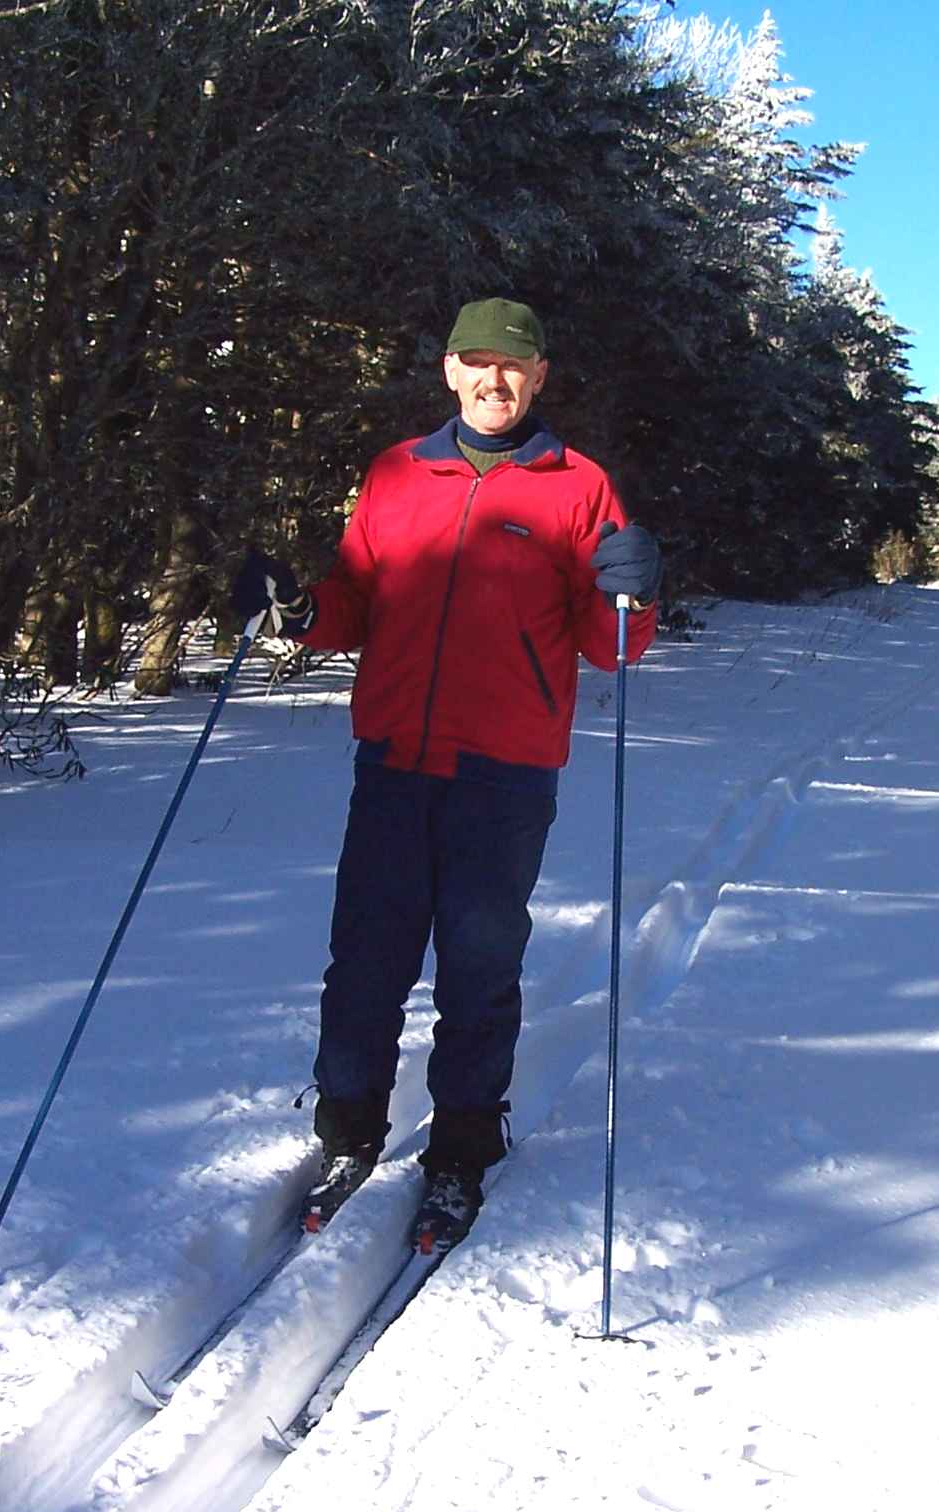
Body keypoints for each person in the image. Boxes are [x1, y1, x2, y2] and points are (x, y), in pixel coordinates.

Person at [232, 297, 660, 1250]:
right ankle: (348, 1130)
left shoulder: (579, 485)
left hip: (503, 772)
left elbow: (611, 648)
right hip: (393, 760)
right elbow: (357, 600)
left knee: (478, 967)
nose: (492, 380)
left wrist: (630, 591)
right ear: (449, 372)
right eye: (476, 363)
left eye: (511, 365)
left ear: (539, 376)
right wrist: (297, 611)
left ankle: (462, 1147)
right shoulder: (396, 472)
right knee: (366, 959)